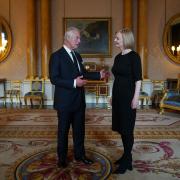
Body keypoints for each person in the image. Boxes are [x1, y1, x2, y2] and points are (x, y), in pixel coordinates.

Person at [49, 27, 106, 168]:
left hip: (79, 101)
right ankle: (62, 159)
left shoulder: (77, 56)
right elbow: (54, 79)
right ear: (68, 38)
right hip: (64, 102)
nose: (79, 41)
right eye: (77, 38)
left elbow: (83, 73)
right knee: (63, 132)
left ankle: (80, 155)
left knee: (79, 131)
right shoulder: (56, 56)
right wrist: (74, 83)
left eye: (79, 38)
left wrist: (99, 75)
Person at [111, 28, 142, 174]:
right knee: (121, 128)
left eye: (117, 38)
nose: (115, 40)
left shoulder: (134, 57)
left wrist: (136, 98)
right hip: (117, 97)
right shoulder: (118, 57)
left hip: (128, 97)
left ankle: (127, 159)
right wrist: (112, 96)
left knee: (127, 129)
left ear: (125, 39)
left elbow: (138, 79)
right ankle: (126, 156)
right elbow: (117, 78)